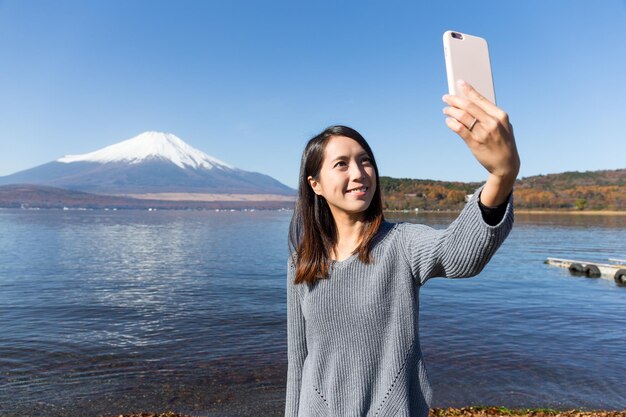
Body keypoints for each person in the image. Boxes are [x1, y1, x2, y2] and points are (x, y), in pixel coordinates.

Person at [285, 80, 520, 417]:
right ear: (316, 184)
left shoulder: (403, 244)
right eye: (341, 164)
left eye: (365, 161)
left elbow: (459, 255)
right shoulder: (302, 262)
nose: (359, 173)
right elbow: (298, 361)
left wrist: (502, 175)